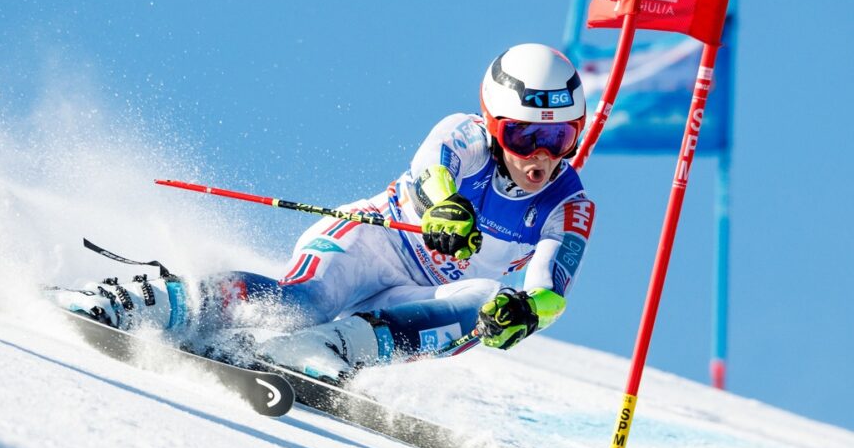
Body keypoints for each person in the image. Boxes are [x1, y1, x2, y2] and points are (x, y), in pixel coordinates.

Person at [50, 43, 595, 382]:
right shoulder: (463, 134)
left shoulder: (569, 206)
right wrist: (443, 208)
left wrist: (525, 314)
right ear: (493, 126)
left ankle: (324, 349)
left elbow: (550, 292)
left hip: (421, 297)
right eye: (524, 135)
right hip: (374, 243)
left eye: (559, 138)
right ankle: (139, 302)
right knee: (303, 303)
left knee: (488, 302)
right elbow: (432, 171)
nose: (541, 156)